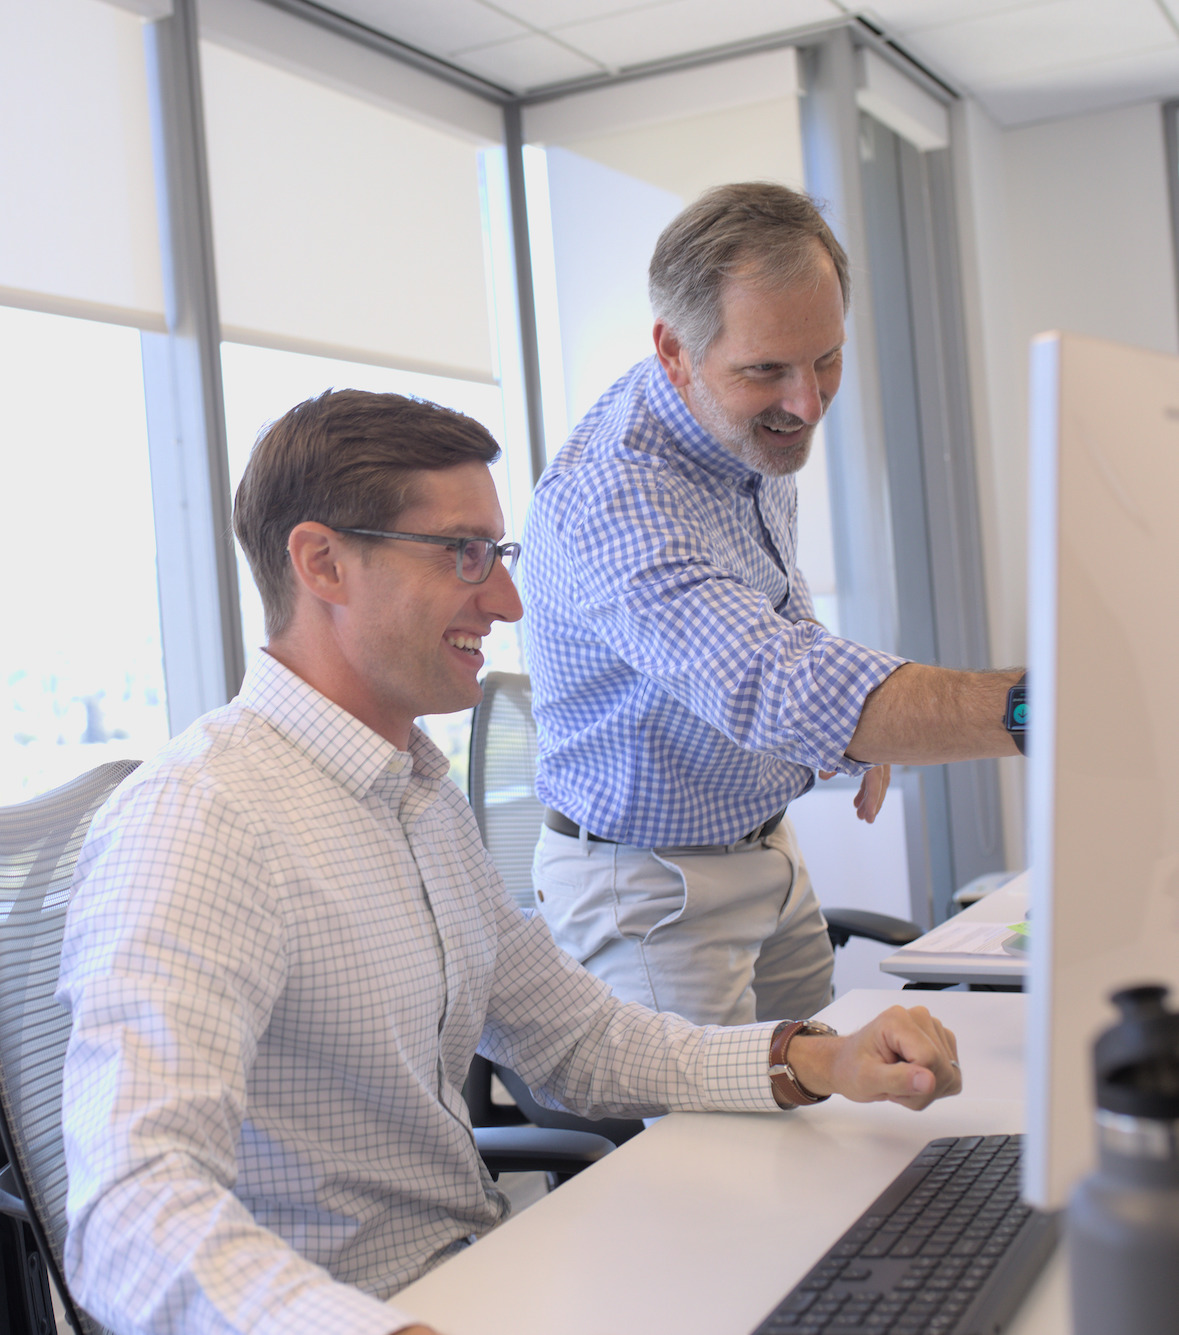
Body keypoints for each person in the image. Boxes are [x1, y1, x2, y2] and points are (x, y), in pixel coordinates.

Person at [57, 389, 961, 1335]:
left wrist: (818, 1057)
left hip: (479, 1276)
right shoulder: (201, 822)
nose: (506, 598)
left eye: (498, 552)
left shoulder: (414, 794)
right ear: (322, 562)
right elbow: (130, 1211)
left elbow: (579, 1039)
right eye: (463, 554)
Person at [523, 181, 1024, 1029]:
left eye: (825, 357)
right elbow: (767, 678)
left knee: (819, 1115)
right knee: (716, 1156)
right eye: (766, 371)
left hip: (764, 846)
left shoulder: (737, 427)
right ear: (674, 350)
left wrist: (868, 723)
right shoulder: (613, 496)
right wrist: (1033, 708)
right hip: (652, 887)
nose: (806, 401)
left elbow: (776, 614)